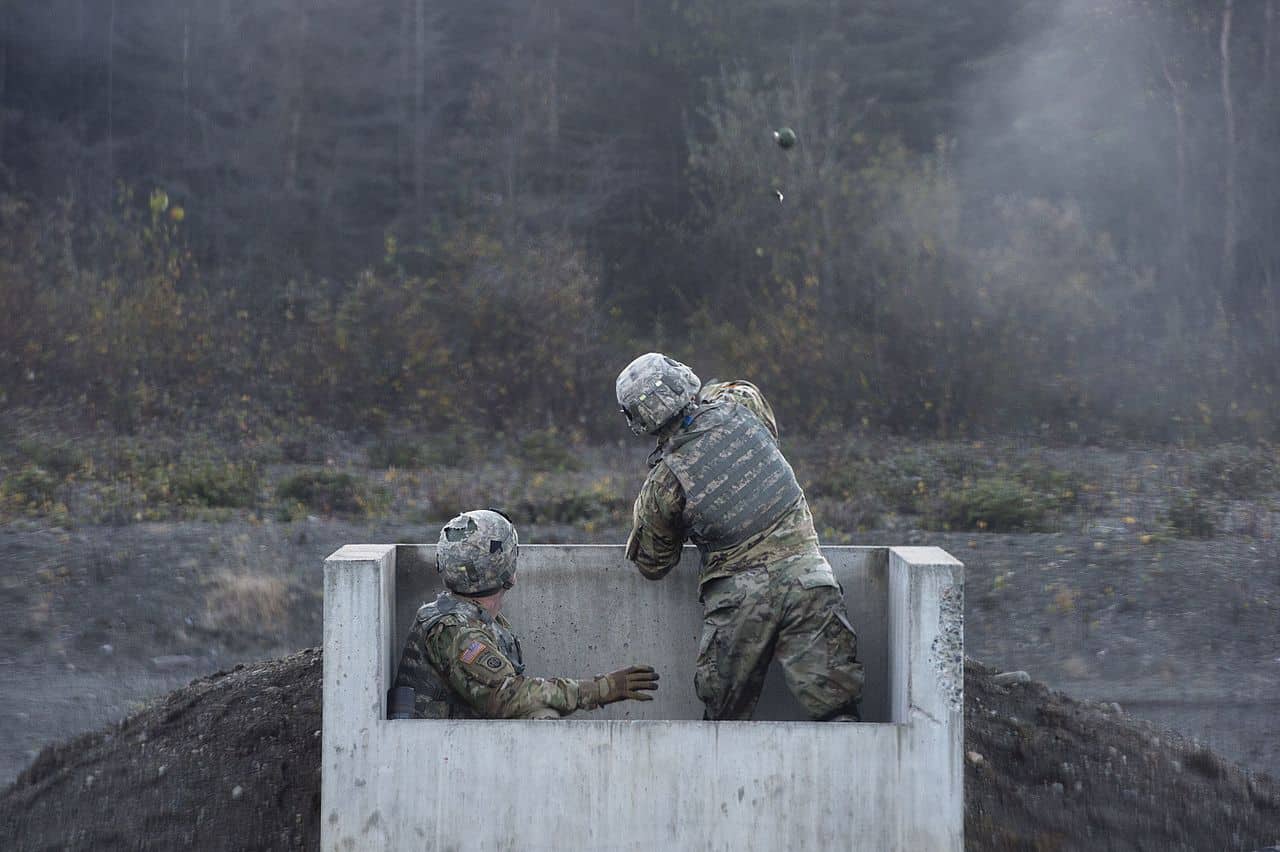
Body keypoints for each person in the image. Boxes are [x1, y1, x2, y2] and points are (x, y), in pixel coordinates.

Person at [615, 352, 863, 721]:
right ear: (682, 377)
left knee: (723, 726)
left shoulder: (664, 484)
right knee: (839, 711)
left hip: (741, 608)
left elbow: (653, 563)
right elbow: (753, 418)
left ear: (639, 418)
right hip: (811, 581)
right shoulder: (742, 404)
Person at [393, 508, 659, 719]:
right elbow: (508, 695)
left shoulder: (465, 618)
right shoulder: (455, 631)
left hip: (452, 752)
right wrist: (600, 689)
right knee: (540, 714)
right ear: (507, 569)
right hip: (440, 762)